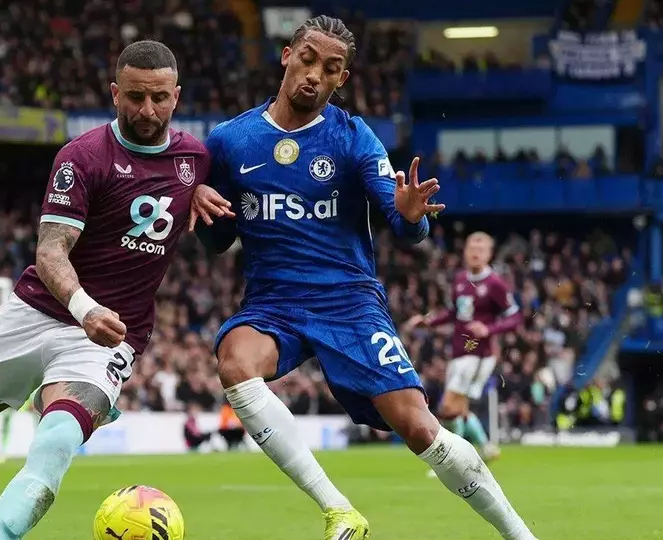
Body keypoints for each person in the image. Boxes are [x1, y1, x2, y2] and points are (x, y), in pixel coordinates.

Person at [190, 15, 538, 540]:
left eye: (330, 69)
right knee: (235, 364)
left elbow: (403, 225)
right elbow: (217, 240)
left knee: (422, 429)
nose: (315, 75)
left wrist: (412, 213)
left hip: (349, 303)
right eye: (307, 59)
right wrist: (201, 206)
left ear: (342, 80)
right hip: (272, 303)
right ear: (286, 55)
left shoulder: (354, 138)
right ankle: (338, 509)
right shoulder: (230, 141)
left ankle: (519, 534)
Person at [0, 40, 210, 540]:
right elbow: (50, 252)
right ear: (114, 93)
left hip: (109, 337)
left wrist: (198, 189)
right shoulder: (82, 157)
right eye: (134, 97)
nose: (146, 110)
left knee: (56, 442)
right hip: (38, 312)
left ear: (177, 95)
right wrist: (85, 307)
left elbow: (193, 180)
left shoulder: (195, 157)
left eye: (158, 97)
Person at [405, 231, 523, 463]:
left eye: (481, 249)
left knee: (448, 407)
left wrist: (489, 330)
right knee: (459, 408)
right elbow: (454, 313)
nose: (475, 253)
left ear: (489, 254)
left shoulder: (495, 284)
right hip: (459, 351)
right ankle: (487, 448)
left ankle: (454, 459)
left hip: (479, 353)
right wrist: (429, 321)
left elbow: (515, 316)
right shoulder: (460, 279)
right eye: (472, 248)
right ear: (465, 252)